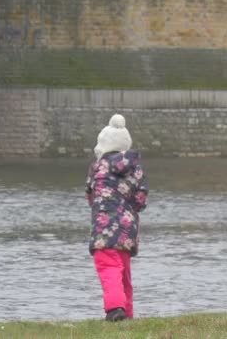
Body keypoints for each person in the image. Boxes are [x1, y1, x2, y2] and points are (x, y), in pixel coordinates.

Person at [85, 114, 148, 321]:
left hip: (104, 230)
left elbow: (90, 194)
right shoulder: (136, 169)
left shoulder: (97, 167)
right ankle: (127, 314)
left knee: (108, 267)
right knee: (123, 275)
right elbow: (140, 200)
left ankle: (114, 310)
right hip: (127, 231)